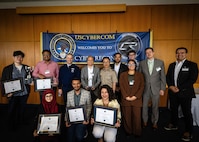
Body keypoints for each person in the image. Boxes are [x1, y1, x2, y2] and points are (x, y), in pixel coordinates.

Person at [164, 47, 198, 142]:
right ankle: (174, 124)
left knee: (186, 112)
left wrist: (180, 88)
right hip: (173, 92)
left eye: (182, 53)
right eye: (178, 53)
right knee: (173, 109)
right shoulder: (172, 65)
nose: (180, 54)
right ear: (176, 54)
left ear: (186, 54)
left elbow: (192, 79)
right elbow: (168, 77)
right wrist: (170, 86)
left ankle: (189, 131)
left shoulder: (192, 65)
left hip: (185, 93)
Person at [1, 50, 33, 130]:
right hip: (13, 93)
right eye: (17, 57)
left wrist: (31, 81)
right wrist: (6, 93)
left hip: (24, 92)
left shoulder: (26, 67)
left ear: (22, 58)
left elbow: (29, 78)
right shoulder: (7, 69)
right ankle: (11, 125)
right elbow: (3, 81)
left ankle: (21, 122)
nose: (19, 58)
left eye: (21, 57)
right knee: (11, 109)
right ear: (13, 57)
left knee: (22, 108)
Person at [139, 47, 166, 130]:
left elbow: (163, 77)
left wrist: (162, 89)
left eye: (150, 52)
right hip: (145, 89)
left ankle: (155, 122)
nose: (148, 54)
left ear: (153, 53)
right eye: (146, 53)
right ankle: (145, 121)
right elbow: (139, 77)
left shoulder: (160, 62)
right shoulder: (142, 63)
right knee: (144, 107)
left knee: (155, 107)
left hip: (156, 89)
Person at [119, 59, 144, 139]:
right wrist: (126, 96)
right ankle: (128, 131)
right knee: (127, 116)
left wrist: (135, 96)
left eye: (132, 64)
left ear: (135, 65)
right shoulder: (123, 75)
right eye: (129, 64)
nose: (131, 65)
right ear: (127, 65)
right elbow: (121, 86)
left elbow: (142, 86)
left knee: (137, 117)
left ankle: (137, 132)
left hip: (136, 99)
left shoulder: (140, 75)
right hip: (125, 99)